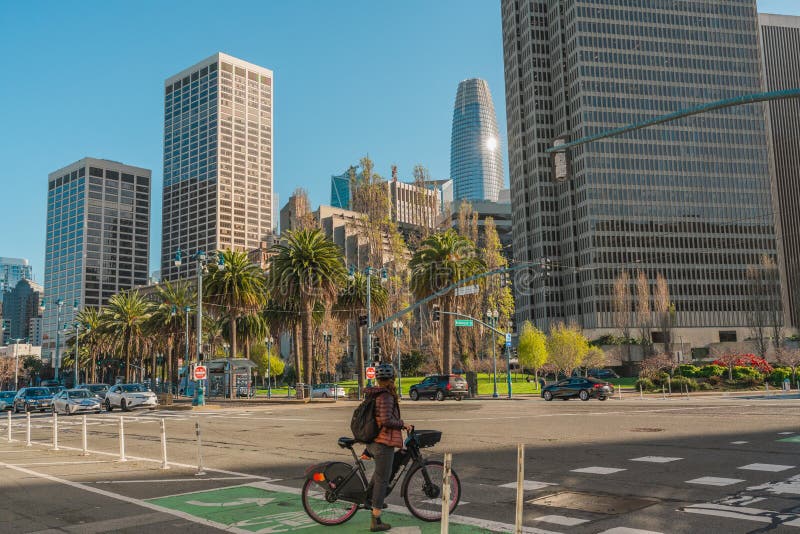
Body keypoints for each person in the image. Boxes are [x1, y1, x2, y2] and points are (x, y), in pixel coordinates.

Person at [363, 363, 409, 532]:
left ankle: (369, 499)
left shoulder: (376, 394)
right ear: (392, 379)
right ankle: (376, 519)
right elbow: (386, 421)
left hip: (374, 441)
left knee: (379, 475)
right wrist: (403, 424)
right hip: (383, 443)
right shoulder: (386, 396)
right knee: (383, 479)